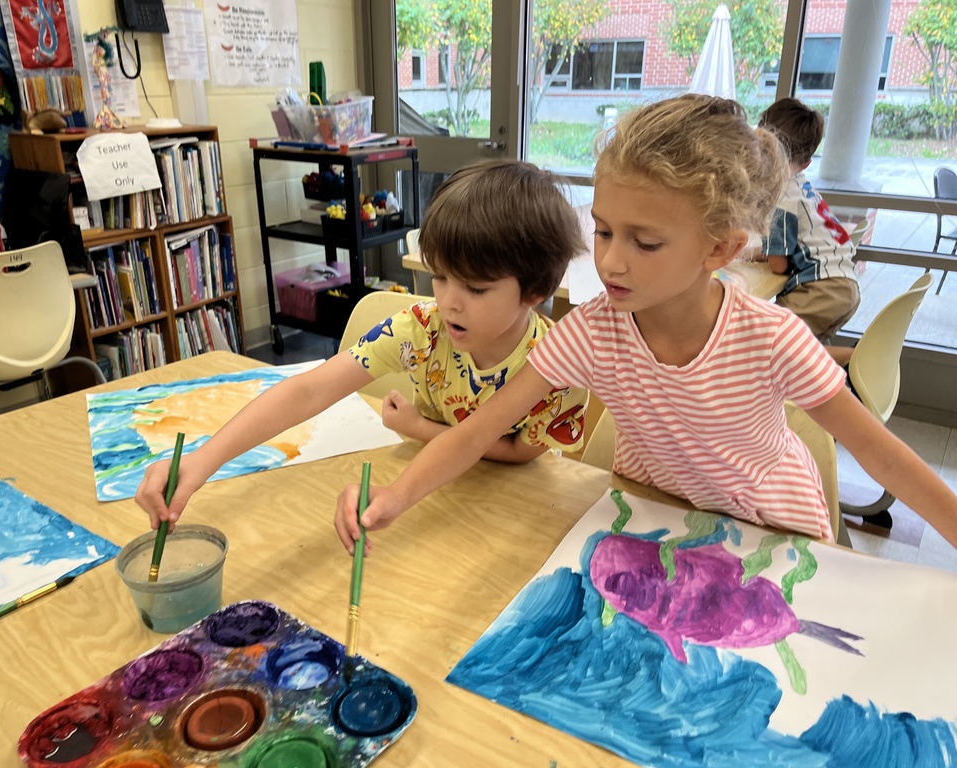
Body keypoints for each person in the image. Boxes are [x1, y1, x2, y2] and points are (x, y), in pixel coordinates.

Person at [334, 94, 957, 554]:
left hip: (769, 529)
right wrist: (396, 496)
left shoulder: (773, 338)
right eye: (604, 231)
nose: (609, 260)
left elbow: (885, 459)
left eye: (645, 242)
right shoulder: (592, 331)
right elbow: (478, 431)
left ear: (719, 247)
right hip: (650, 517)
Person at [135, 158, 590, 527]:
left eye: (475, 288)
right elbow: (310, 389)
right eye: (440, 277)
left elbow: (519, 455)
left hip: (509, 508)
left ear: (535, 289)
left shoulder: (557, 367)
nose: (449, 303)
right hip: (422, 486)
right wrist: (202, 461)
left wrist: (419, 428)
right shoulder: (422, 329)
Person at [756, 98, 861, 364]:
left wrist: (761, 252)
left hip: (821, 290)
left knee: (766, 344)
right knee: (792, 347)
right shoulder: (802, 186)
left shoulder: (781, 197)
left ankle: (859, 360)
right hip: (843, 285)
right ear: (806, 164)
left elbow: (778, 265)